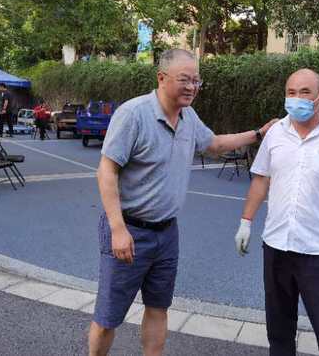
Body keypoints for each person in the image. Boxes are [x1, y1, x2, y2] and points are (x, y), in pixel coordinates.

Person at [88, 49, 277, 356]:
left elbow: (214, 143)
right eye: (185, 79)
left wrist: (258, 134)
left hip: (167, 233)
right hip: (129, 230)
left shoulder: (188, 117)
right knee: (109, 317)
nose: (192, 87)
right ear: (162, 78)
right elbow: (106, 171)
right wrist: (118, 229)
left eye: (196, 80)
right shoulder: (133, 114)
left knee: (158, 307)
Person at [234, 69, 319, 356]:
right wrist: (246, 222)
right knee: (279, 332)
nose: (297, 98)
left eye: (305, 92)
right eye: (291, 92)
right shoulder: (275, 133)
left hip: (318, 251)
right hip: (275, 246)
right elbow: (261, 179)